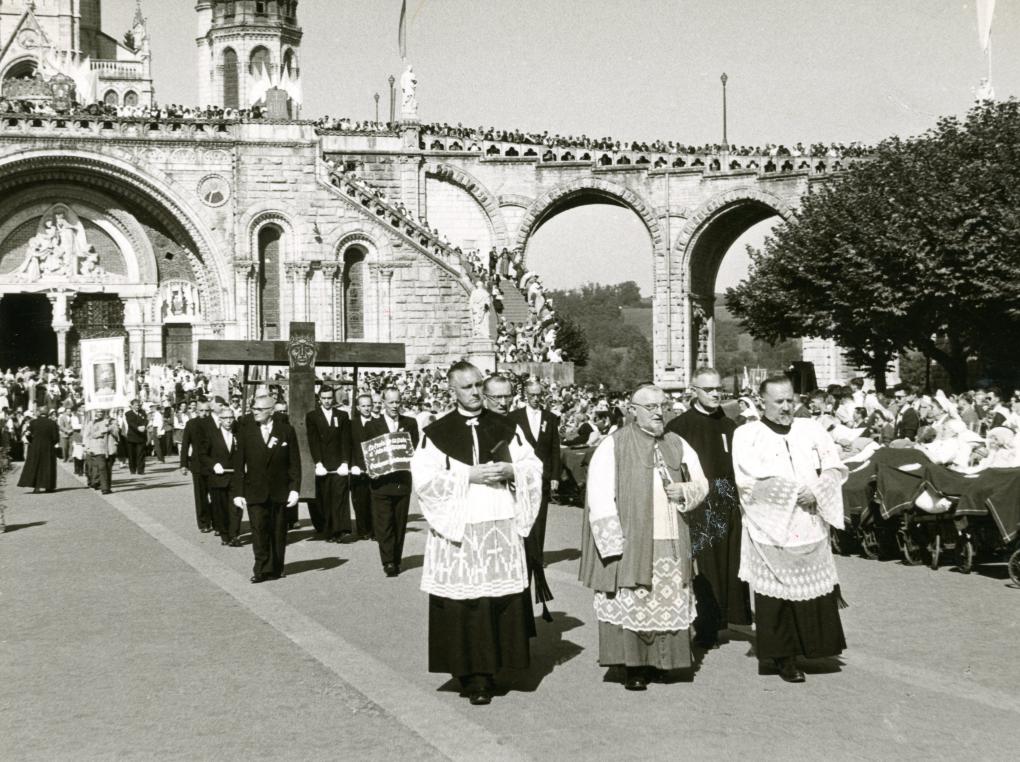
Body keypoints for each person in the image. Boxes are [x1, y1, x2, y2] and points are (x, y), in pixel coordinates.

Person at [411, 361, 543, 705]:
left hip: (499, 522)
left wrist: (511, 468)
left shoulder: (504, 426)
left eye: (477, 385)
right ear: (452, 390)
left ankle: (499, 666)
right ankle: (472, 675)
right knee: (467, 602)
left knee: (497, 600)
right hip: (461, 525)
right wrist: (468, 476)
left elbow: (533, 466)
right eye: (466, 387)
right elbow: (424, 481)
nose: (474, 392)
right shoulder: (436, 433)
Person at [579, 384, 709, 690]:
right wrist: (613, 546)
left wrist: (686, 491)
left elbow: (702, 482)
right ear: (632, 410)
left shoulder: (677, 443)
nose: (657, 412)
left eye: (661, 406)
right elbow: (598, 495)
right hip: (632, 540)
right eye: (649, 407)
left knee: (668, 598)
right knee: (634, 600)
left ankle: (665, 662)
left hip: (671, 537)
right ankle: (634, 667)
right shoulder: (614, 445)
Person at [732, 375, 848, 683]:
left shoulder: (811, 428)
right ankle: (783, 657)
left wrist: (819, 490)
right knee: (777, 597)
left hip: (809, 521)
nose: (786, 407)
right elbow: (747, 479)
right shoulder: (747, 434)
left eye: (790, 400)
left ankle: (811, 648)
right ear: (762, 402)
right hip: (770, 524)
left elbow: (835, 466)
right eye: (779, 401)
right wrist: (794, 493)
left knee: (809, 593)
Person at [665, 368, 752, 649]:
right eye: (708, 390)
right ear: (694, 391)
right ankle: (705, 626)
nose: (715, 394)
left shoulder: (730, 425)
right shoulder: (680, 427)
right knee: (707, 566)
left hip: (728, 499)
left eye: (718, 389)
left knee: (730, 562)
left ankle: (726, 619)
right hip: (700, 501)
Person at [231, 396, 301, 583]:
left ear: (271, 411)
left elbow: (294, 463)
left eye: (260, 409)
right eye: (253, 408)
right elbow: (239, 465)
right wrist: (238, 492)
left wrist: (295, 489)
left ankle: (277, 567)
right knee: (259, 530)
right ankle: (261, 569)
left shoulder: (286, 431)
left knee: (278, 531)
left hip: (280, 491)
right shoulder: (246, 432)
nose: (255, 412)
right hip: (255, 491)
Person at [363, 388, 419, 576]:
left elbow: (416, 449)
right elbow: (367, 453)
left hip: (402, 482)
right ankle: (388, 561)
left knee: (399, 522)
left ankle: (396, 558)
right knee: (384, 524)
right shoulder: (372, 425)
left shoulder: (410, 423)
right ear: (383, 403)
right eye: (391, 402)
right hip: (381, 483)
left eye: (398, 402)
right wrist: (371, 469)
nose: (395, 406)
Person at [306, 386, 352, 542]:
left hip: (339, 463)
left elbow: (346, 440)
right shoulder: (312, 416)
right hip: (323, 464)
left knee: (339, 496)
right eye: (324, 398)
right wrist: (318, 463)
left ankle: (340, 530)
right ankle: (329, 530)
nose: (327, 401)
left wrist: (345, 462)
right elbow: (313, 442)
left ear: (334, 398)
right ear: (320, 398)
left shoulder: (343, 415)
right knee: (325, 498)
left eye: (329, 398)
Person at [201, 405, 242, 546]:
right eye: (225, 418)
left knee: (236, 506)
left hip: (236, 476)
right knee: (220, 508)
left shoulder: (239, 434)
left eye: (231, 418)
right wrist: (213, 464)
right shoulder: (212, 435)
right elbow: (202, 454)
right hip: (218, 477)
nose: (229, 421)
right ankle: (224, 535)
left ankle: (234, 535)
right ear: (220, 420)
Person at [181, 399, 213, 533]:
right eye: (201, 410)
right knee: (200, 497)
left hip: (213, 465)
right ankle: (203, 523)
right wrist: (183, 464)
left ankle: (216, 521)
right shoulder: (191, 424)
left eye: (207, 410)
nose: (204, 413)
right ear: (196, 410)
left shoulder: (214, 423)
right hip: (198, 465)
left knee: (216, 495)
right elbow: (185, 445)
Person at [349, 392, 376, 540]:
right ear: (358, 408)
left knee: (374, 500)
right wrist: (352, 464)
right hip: (357, 468)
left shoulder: (378, 423)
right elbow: (349, 446)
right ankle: (363, 530)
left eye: (369, 405)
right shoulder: (352, 424)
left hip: (373, 468)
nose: (366, 408)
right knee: (359, 500)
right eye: (363, 406)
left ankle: (374, 530)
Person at [17, 409, 60, 493]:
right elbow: (55, 438)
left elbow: (27, 434)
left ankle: (36, 487)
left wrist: (32, 441)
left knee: (36, 465)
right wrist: (51, 443)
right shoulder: (52, 423)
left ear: (39, 413)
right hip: (48, 447)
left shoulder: (33, 422)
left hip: (35, 447)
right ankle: (48, 487)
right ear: (47, 414)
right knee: (48, 466)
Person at [82, 409, 119, 494]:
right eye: (98, 412)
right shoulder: (92, 423)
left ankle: (108, 487)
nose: (100, 414)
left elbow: (117, 434)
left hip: (110, 448)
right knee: (102, 468)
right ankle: (104, 488)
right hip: (98, 449)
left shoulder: (113, 421)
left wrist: (111, 428)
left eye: (102, 412)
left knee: (108, 468)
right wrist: (103, 430)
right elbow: (91, 435)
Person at [124, 398, 148, 475]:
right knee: (132, 455)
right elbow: (130, 423)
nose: (138, 407)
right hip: (132, 437)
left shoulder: (143, 412)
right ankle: (132, 469)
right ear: (132, 406)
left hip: (141, 437)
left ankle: (141, 470)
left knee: (141, 454)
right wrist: (137, 428)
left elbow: (146, 420)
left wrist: (144, 426)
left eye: (139, 405)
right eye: (136, 405)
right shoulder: (128, 413)